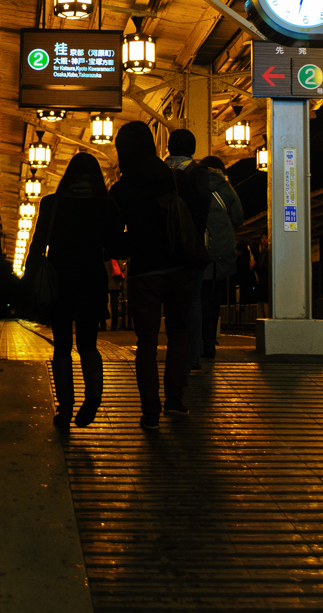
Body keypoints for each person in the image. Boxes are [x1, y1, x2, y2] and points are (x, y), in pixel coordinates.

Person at [110, 121, 197, 431]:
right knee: (178, 333)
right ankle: (175, 399)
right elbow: (193, 220)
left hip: (145, 272)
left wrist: (135, 241)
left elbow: (114, 240)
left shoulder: (119, 189)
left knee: (146, 342)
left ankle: (150, 411)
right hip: (178, 268)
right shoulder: (174, 179)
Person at [25, 152, 122, 429]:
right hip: (91, 281)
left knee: (62, 347)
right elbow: (117, 249)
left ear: (68, 175)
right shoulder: (106, 206)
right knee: (88, 344)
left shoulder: (52, 204)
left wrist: (29, 281)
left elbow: (37, 245)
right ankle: (93, 394)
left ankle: (65, 409)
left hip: (60, 283)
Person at [164, 129, 212, 370]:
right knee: (193, 300)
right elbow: (204, 206)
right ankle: (191, 355)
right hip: (191, 245)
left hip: (163, 246)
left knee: (166, 299)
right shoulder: (198, 172)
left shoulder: (160, 171)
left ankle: (170, 353)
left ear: (169, 147)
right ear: (193, 149)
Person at [199, 155, 244, 359]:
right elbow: (238, 218)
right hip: (221, 254)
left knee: (197, 299)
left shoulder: (193, 185)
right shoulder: (227, 189)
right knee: (213, 300)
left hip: (198, 252)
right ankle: (209, 344)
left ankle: (196, 343)